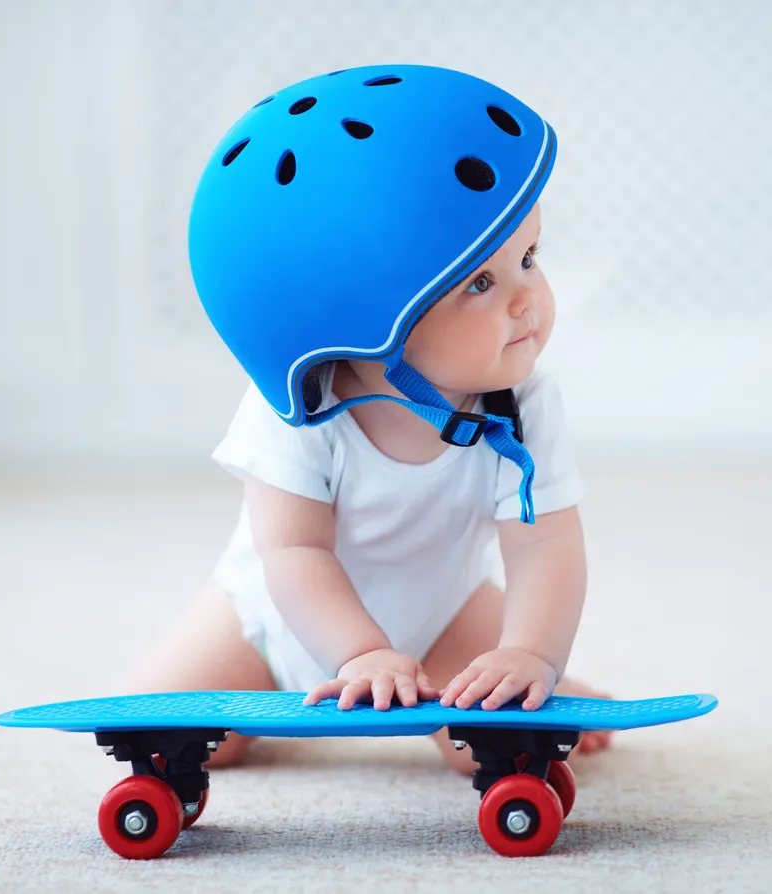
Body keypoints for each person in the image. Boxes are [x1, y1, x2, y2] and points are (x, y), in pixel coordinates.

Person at [128, 64, 611, 775]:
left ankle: (544, 684)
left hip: (441, 612)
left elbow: (544, 546)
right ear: (360, 323)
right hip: (266, 622)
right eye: (480, 281)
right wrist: (361, 653)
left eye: (529, 259)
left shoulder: (522, 405)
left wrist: (530, 652)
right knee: (177, 734)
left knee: (491, 744)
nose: (528, 299)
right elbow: (295, 554)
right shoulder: (300, 412)